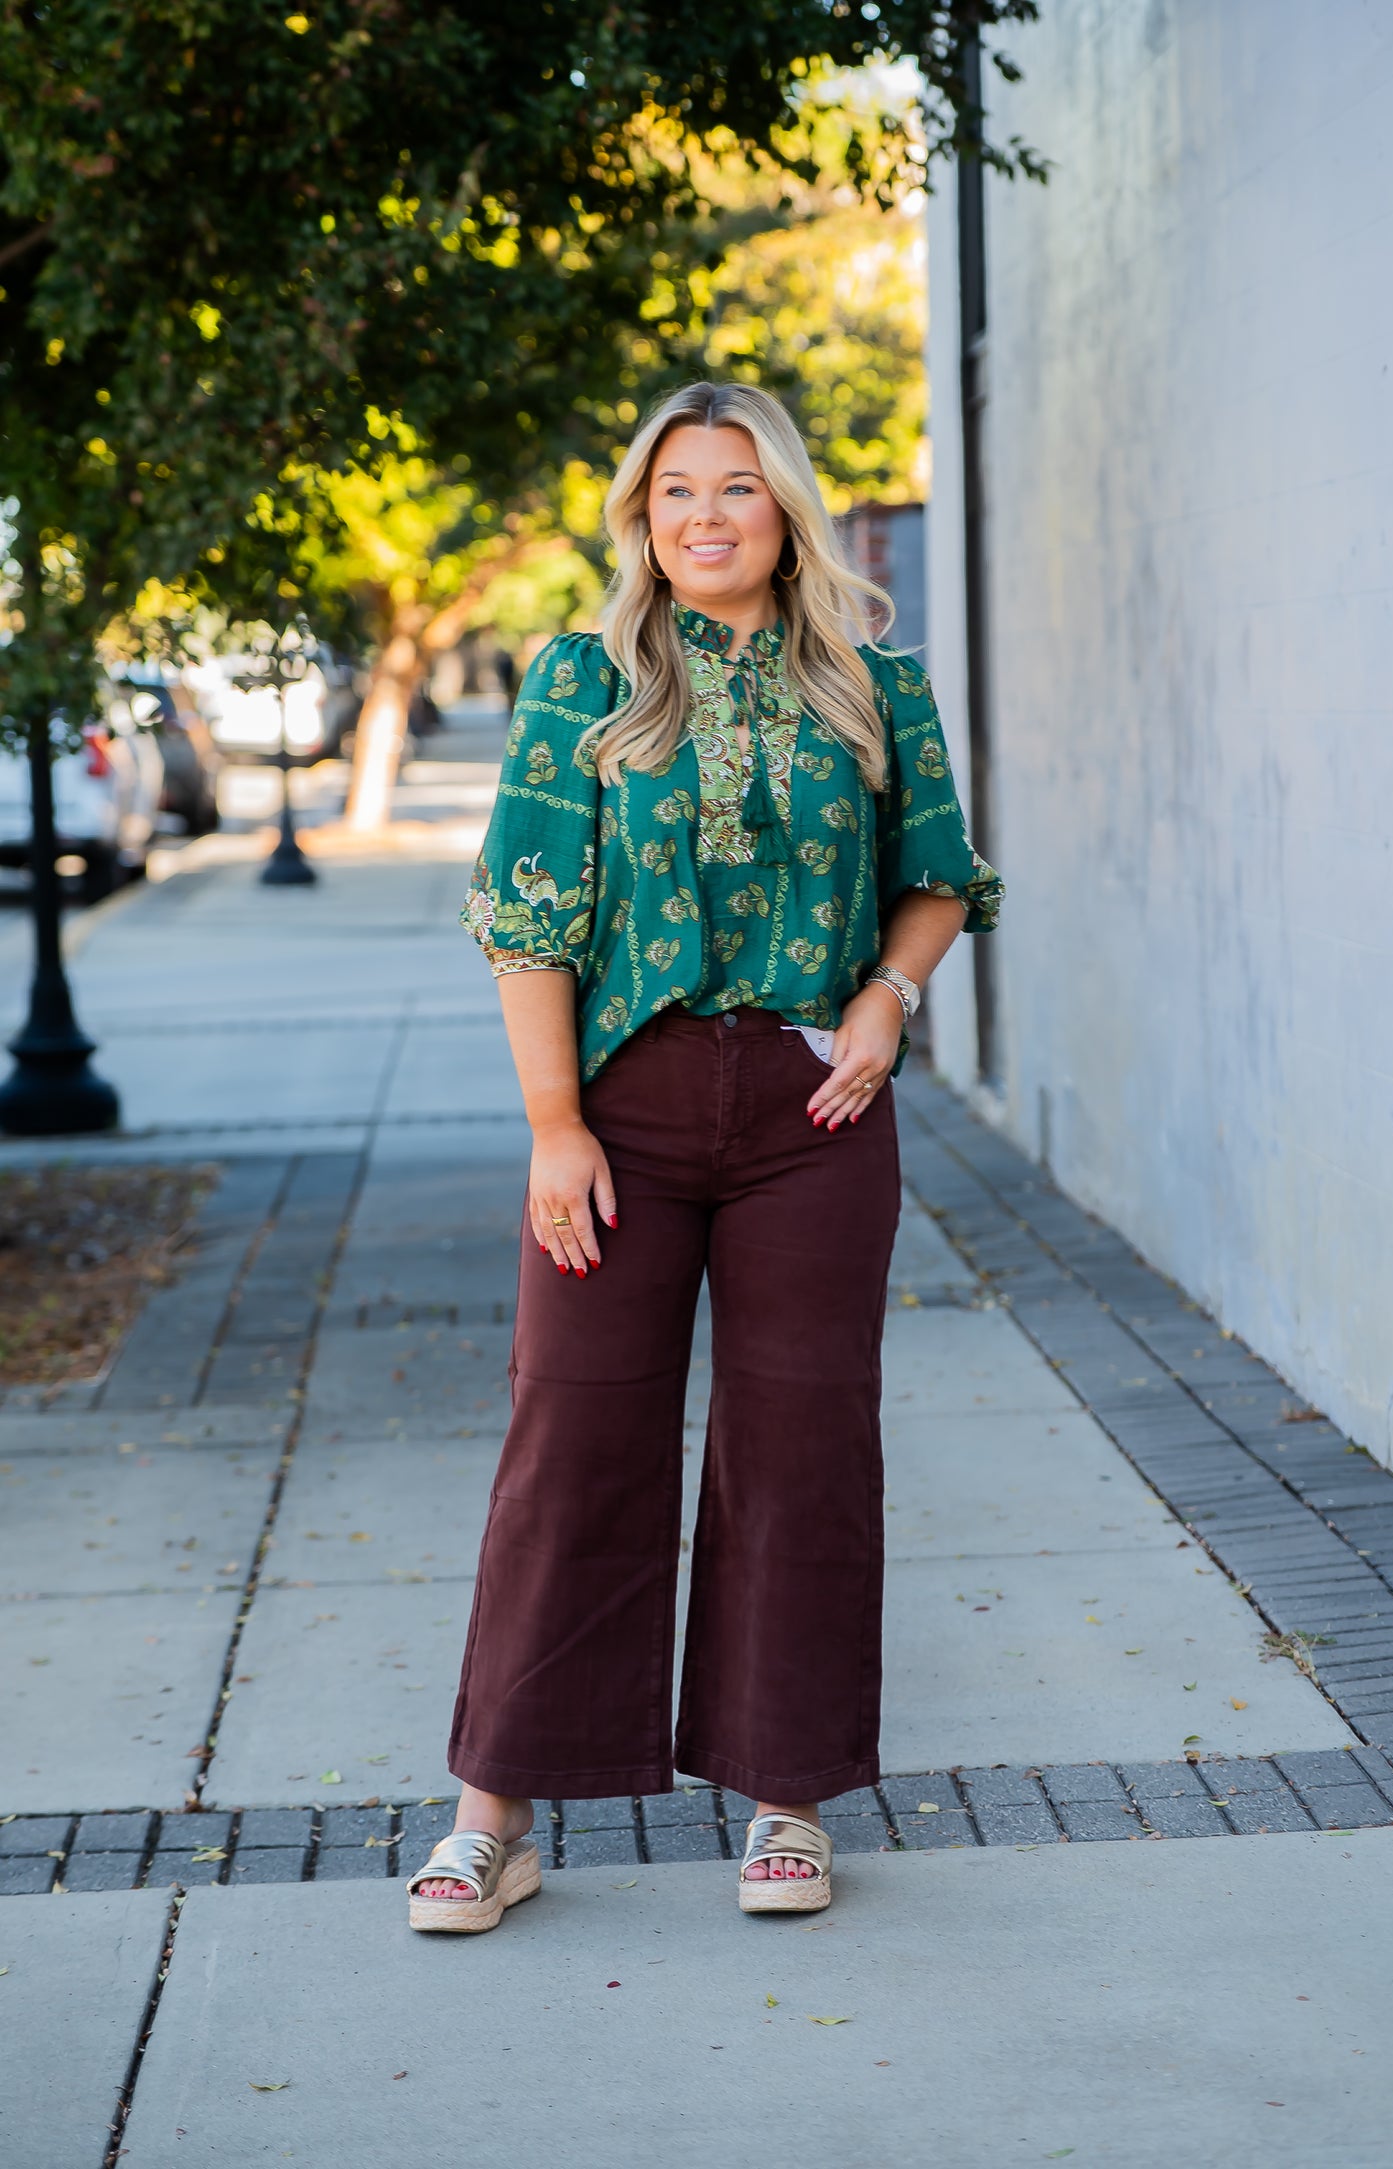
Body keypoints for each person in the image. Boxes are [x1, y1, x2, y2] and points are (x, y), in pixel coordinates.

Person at [407, 381, 1002, 1933]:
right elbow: (527, 915)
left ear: (784, 509)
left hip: (816, 1111)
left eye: (735, 488)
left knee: (802, 1446)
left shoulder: (875, 685)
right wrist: (554, 1126)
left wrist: (885, 999)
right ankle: (496, 1813)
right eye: (675, 492)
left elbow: (940, 878)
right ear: (641, 517)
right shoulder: (581, 682)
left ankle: (785, 1797)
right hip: (625, 1106)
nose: (705, 517)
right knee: (575, 1433)